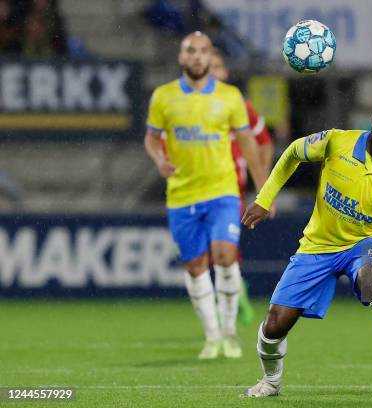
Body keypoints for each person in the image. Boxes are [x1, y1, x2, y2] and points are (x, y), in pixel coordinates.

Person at [240, 96, 372, 399]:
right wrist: (264, 199)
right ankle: (271, 382)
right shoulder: (336, 141)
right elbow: (292, 153)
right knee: (274, 324)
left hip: (364, 245)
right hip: (318, 245)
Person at [144, 31, 266, 360]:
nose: (197, 57)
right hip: (182, 195)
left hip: (222, 191)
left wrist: (264, 190)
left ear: (211, 57)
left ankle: (229, 333)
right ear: (182, 58)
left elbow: (249, 145)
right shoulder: (164, 97)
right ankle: (212, 336)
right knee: (195, 266)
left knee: (225, 256)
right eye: (190, 51)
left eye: (203, 51)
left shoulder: (230, 97)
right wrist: (158, 160)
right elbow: (151, 138)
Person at [208, 47, 275, 325]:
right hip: (194, 189)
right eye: (207, 66)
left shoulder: (238, 105)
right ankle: (237, 294)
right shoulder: (186, 106)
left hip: (228, 187)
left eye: (217, 66)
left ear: (225, 72)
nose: (212, 71)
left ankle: (232, 313)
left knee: (224, 251)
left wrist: (264, 190)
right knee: (210, 255)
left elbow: (265, 143)